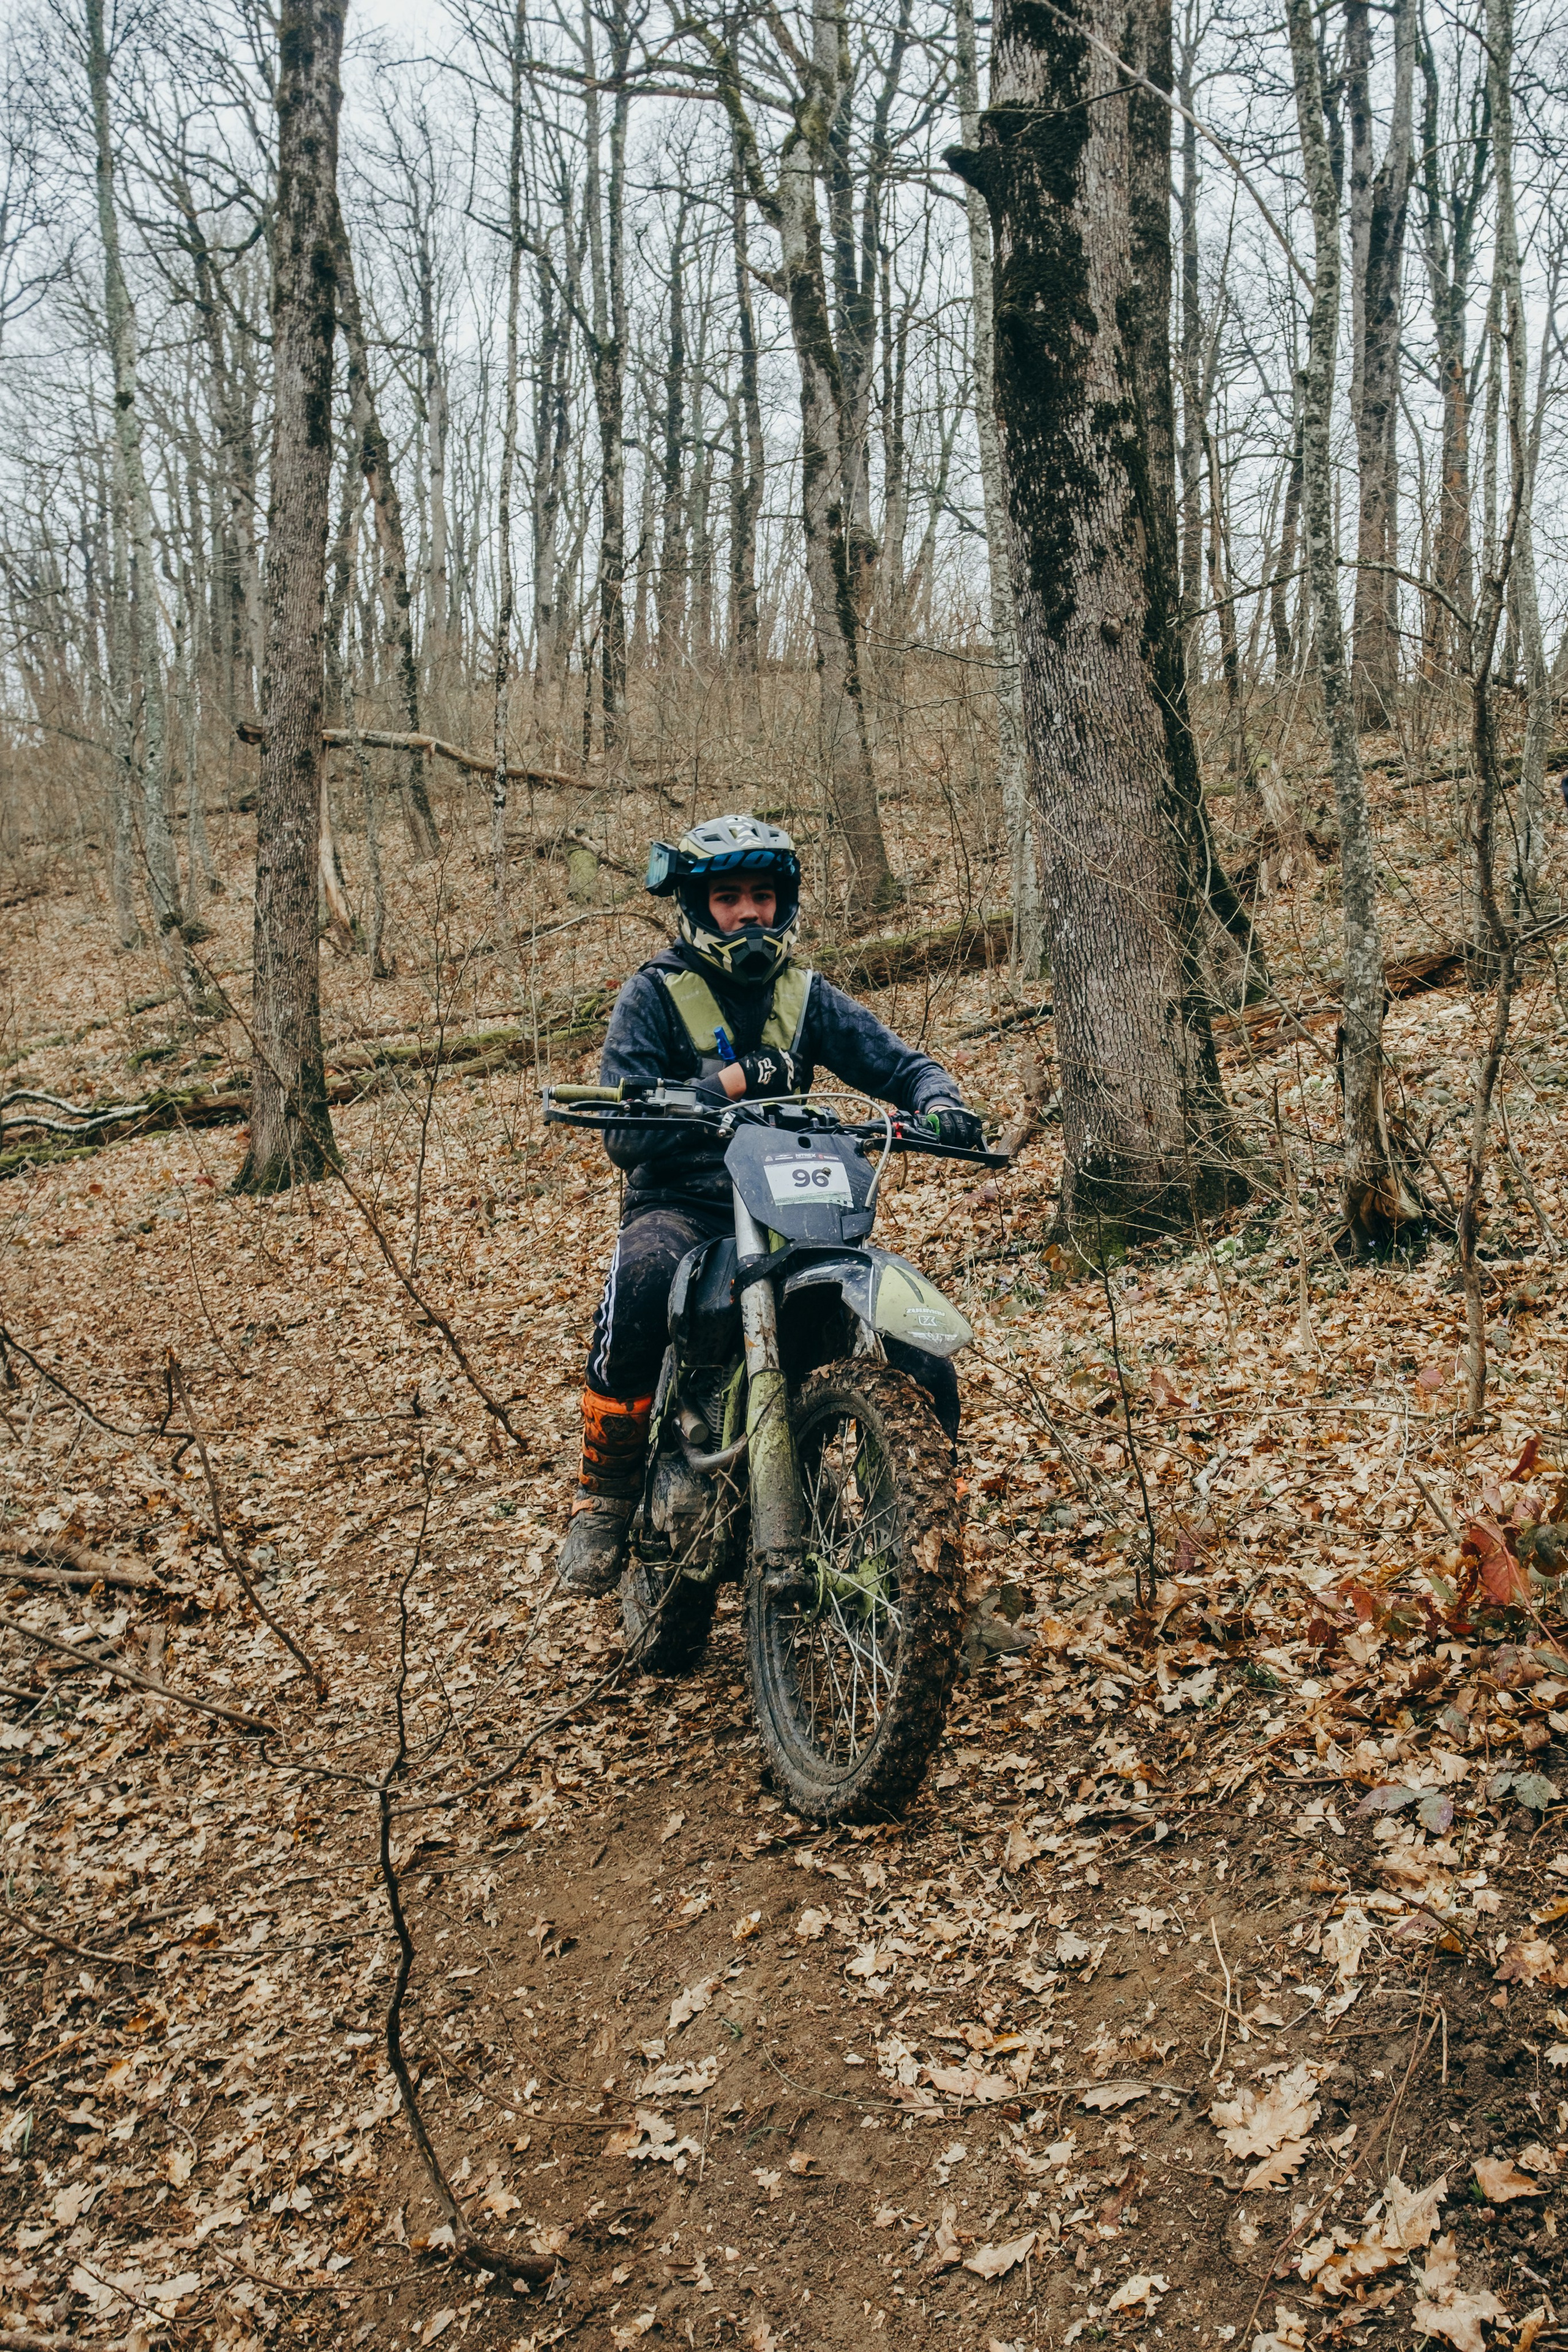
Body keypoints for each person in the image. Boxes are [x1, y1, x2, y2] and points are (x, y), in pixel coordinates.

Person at [559, 812, 986, 1597]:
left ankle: (929, 1551)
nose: (748, 913)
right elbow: (623, 1134)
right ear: (698, 906)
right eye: (729, 898)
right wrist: (730, 1081)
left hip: (794, 1205)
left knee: (914, 1340)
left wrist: (940, 1101)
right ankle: (606, 1496)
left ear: (784, 904)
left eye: (762, 896)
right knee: (643, 1270)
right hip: (685, 1202)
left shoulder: (806, 995)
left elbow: (899, 1065)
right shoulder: (654, 993)